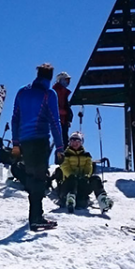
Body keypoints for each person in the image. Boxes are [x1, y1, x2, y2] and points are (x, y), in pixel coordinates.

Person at [11, 63, 64, 230]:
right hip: (40, 139)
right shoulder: (49, 94)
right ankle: (36, 218)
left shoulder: (22, 92)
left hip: (24, 141)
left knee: (32, 176)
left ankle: (35, 216)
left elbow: (15, 118)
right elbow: (55, 121)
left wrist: (15, 142)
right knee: (39, 179)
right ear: (50, 77)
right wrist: (60, 147)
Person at [56, 132, 113, 212]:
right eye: (72, 141)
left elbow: (89, 168)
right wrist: (71, 175)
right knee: (72, 178)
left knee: (95, 179)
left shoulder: (86, 155)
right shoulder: (65, 155)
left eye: (77, 141)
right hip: (68, 184)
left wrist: (86, 176)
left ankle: (103, 200)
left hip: (81, 184)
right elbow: (65, 167)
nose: (74, 143)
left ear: (81, 142)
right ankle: (70, 199)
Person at [54, 71, 74, 150]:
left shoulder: (63, 92)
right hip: (59, 120)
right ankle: (61, 156)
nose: (68, 82)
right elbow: (54, 107)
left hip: (63, 120)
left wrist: (68, 117)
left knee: (64, 140)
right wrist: (65, 114)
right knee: (62, 141)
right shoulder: (57, 91)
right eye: (66, 80)